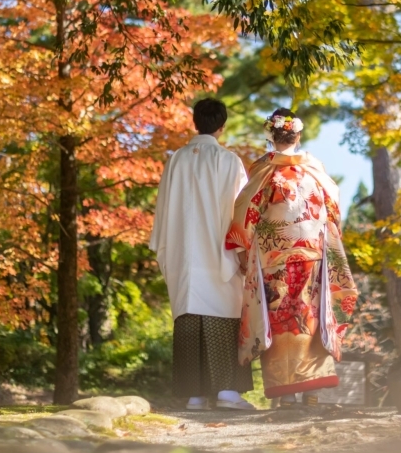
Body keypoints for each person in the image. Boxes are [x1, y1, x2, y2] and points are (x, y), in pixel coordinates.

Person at [226, 108, 358, 407]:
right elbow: (332, 209)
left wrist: (244, 250)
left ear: (270, 135)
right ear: (298, 134)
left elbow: (246, 211)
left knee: (279, 320)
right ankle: (311, 391)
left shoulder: (263, 169)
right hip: (312, 254)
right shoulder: (315, 170)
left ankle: (285, 395)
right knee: (309, 318)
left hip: (274, 257)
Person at [149, 98, 255, 411]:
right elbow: (242, 211)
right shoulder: (229, 161)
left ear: (195, 122)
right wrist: (244, 251)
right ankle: (226, 391)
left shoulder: (177, 160)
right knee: (223, 312)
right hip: (219, 250)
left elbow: (163, 209)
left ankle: (194, 395)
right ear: (222, 126)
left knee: (189, 313)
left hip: (184, 251)